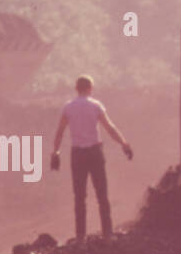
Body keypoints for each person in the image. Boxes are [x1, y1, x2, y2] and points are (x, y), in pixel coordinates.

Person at [50, 75, 133, 241]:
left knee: (80, 196)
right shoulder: (95, 105)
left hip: (78, 154)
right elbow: (110, 128)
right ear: (90, 88)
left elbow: (60, 132)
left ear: (76, 89)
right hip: (95, 152)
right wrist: (124, 144)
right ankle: (108, 233)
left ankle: (81, 236)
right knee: (102, 194)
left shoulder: (68, 107)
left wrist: (56, 153)